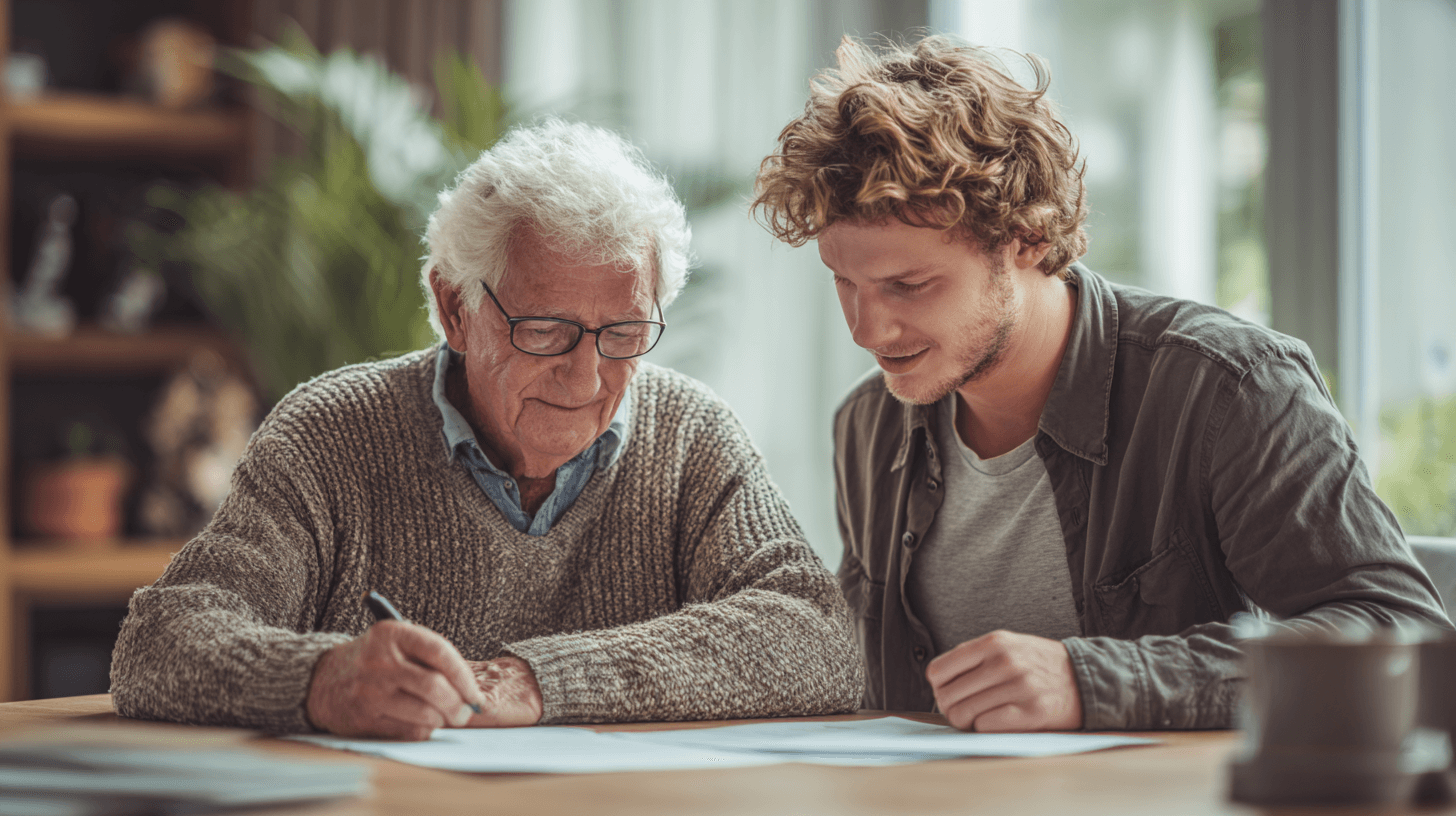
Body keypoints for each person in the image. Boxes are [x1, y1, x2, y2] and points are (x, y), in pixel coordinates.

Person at [751, 35, 1451, 732]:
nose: (867, 331)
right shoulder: (870, 423)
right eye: (845, 283)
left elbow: (1399, 636)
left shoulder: (1231, 390)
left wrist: (1094, 681)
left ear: (1025, 238)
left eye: (909, 285)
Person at [112, 119, 862, 739]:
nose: (588, 377)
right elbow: (162, 642)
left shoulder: (693, 437)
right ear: (453, 307)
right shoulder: (328, 436)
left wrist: (539, 679)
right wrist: (317, 680)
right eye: (546, 331)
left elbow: (819, 637)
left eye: (625, 333)